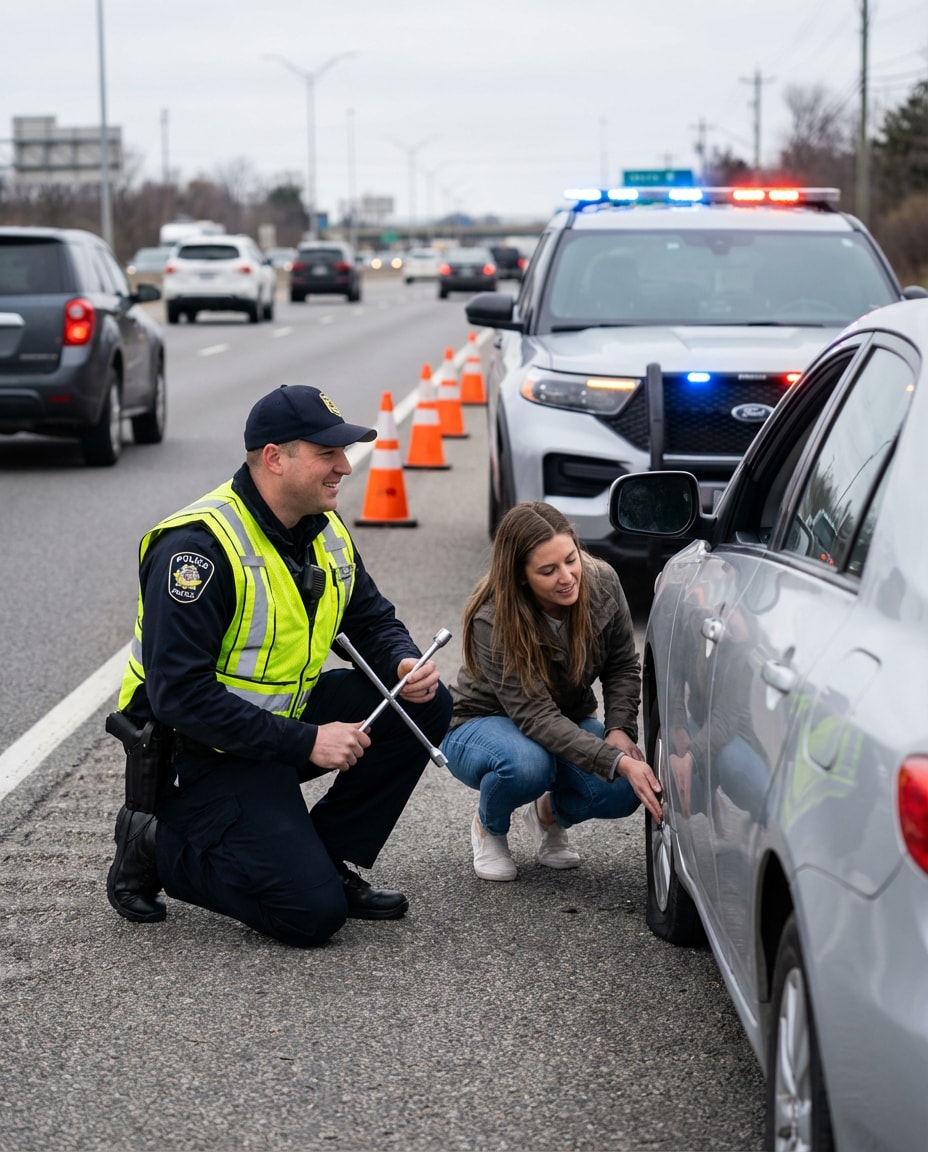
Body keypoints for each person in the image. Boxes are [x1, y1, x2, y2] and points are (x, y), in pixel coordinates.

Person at [105, 384, 452, 947]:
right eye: (326, 454)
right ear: (274, 458)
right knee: (309, 915)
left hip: (273, 727)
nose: (344, 465)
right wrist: (307, 742)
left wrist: (402, 659)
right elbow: (179, 697)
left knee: (426, 702)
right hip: (195, 752)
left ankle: (326, 854)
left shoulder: (323, 528)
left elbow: (371, 618)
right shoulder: (197, 550)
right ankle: (153, 844)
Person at [440, 501, 662, 881]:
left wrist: (619, 730)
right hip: (480, 722)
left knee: (623, 790)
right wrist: (616, 760)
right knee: (528, 766)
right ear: (521, 576)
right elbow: (535, 716)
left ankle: (545, 814)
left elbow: (622, 664)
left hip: (562, 718)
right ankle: (488, 826)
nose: (567, 577)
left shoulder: (603, 583)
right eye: (548, 570)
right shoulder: (492, 617)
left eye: (570, 559)